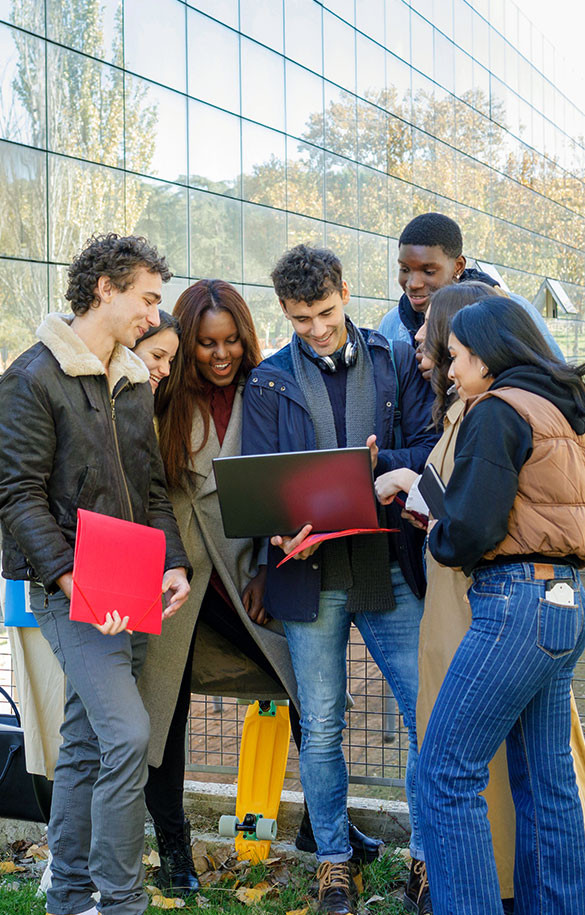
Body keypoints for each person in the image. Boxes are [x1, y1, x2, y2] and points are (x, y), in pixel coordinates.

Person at [136, 280, 382, 897]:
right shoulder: (161, 398)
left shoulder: (268, 388)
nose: (220, 355)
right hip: (183, 580)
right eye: (205, 344)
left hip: (250, 571)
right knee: (163, 710)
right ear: (186, 344)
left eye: (231, 341)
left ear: (246, 338)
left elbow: (283, 485)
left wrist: (261, 574)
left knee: (310, 694)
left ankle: (322, 829)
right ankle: (175, 852)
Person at [242, 245, 438, 915]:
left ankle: (427, 856)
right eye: (301, 320)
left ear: (345, 292)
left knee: (425, 715)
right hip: (309, 571)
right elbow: (258, 476)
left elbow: (429, 441)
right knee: (321, 725)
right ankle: (332, 865)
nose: (317, 328)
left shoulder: (391, 360)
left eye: (325, 312)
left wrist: (383, 462)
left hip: (388, 562)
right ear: (285, 313)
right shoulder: (266, 381)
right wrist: (273, 527)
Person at [0, 234, 192, 915]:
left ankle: (71, 896)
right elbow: (17, 494)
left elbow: (150, 487)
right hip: (70, 592)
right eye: (146, 297)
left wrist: (172, 562)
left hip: (134, 583)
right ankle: (121, 901)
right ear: (104, 288)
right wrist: (68, 579)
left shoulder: (131, 380)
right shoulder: (31, 377)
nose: (153, 312)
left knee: (86, 741)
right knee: (127, 733)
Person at [418, 296, 585, 913]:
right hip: (566, 604)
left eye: (457, 358)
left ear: (487, 357)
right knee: (549, 782)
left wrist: (437, 530)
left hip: (513, 604)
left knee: (446, 773)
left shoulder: (495, 411)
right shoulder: (565, 412)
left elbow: (471, 529)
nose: (450, 373)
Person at [378, 211, 563, 359]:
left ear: (458, 266)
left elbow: (553, 385)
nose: (413, 284)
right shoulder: (391, 324)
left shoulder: (512, 308)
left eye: (429, 271)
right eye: (405, 269)